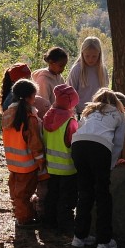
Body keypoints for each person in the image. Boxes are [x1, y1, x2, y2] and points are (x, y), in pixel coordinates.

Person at [70, 88, 125, 248]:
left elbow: (80, 129)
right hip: (100, 148)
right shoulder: (118, 114)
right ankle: (104, 241)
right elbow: (118, 143)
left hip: (78, 146)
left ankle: (79, 236)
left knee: (84, 191)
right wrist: (111, 164)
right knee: (102, 195)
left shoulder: (88, 112)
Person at [1, 79, 45, 228]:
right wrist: (40, 160)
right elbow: (34, 143)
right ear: (29, 97)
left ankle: (23, 216)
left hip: (12, 162)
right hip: (27, 164)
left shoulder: (8, 114)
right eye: (34, 95)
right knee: (24, 194)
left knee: (16, 192)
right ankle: (24, 219)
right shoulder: (29, 118)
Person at [41, 83, 80, 232]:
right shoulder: (70, 122)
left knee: (52, 196)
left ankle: (49, 222)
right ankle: (64, 226)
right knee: (66, 199)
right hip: (68, 168)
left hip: (50, 166)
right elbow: (73, 142)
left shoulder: (47, 117)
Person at [67, 37, 109, 116]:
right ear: (82, 53)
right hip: (80, 113)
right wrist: (73, 113)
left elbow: (106, 92)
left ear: (99, 54)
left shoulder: (102, 70)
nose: (90, 59)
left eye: (94, 56)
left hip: (99, 113)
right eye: (87, 56)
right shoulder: (77, 69)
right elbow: (70, 93)